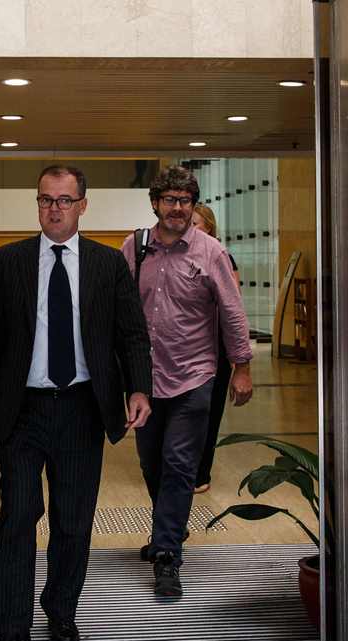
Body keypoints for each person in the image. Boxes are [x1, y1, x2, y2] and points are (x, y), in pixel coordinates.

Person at [0, 165, 152, 641]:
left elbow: (132, 333)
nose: (54, 208)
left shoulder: (106, 264)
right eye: (46, 199)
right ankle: (10, 631)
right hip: (22, 411)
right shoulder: (9, 260)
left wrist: (139, 388)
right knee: (17, 521)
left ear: (82, 205)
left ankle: (61, 611)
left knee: (72, 522)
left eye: (64, 200)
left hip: (82, 410)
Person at [122, 166, 253, 599]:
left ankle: (166, 553)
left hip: (194, 376)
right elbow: (117, 308)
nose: (177, 208)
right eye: (169, 200)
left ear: (192, 205)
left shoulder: (211, 252)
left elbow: (232, 312)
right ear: (155, 204)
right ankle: (169, 529)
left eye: (184, 201)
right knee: (151, 464)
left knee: (179, 464)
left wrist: (241, 366)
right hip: (144, 381)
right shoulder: (134, 247)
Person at [191, 203, 240, 494]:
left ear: (208, 227)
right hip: (186, 348)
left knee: (209, 413)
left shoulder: (221, 257)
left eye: (195, 224)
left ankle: (200, 474)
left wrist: (238, 359)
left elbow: (232, 308)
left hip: (215, 348)